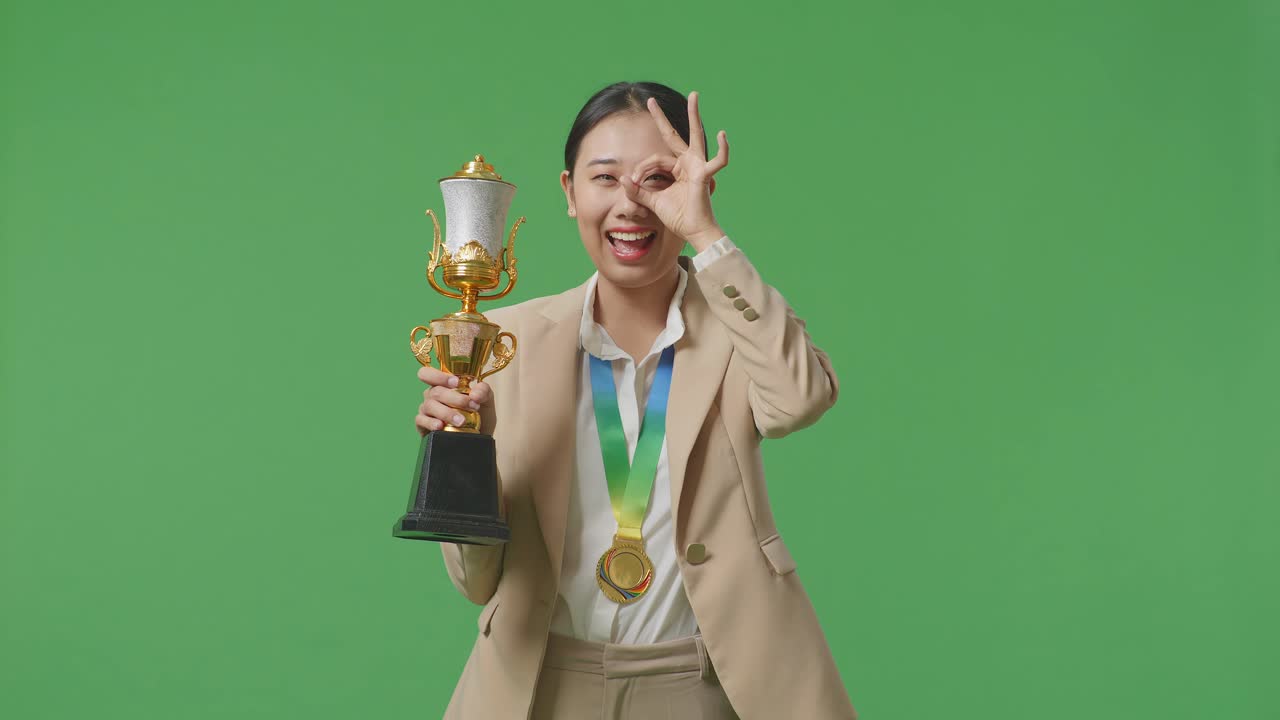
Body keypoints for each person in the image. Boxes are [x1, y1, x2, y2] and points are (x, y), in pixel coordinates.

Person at [414, 81, 857, 720]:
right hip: (541, 681)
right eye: (605, 177)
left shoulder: (739, 326)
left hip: (705, 682)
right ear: (569, 192)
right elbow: (476, 581)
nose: (630, 203)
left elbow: (801, 399)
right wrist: (462, 457)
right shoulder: (501, 344)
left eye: (657, 179)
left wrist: (707, 236)